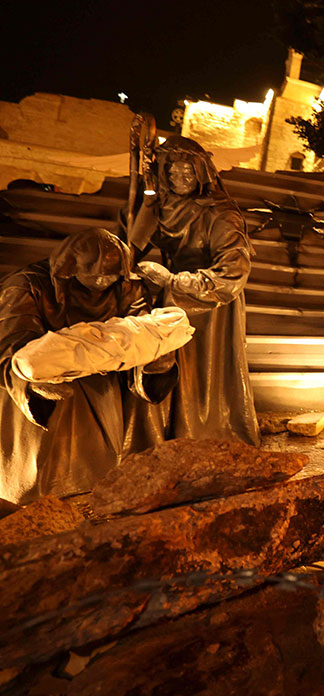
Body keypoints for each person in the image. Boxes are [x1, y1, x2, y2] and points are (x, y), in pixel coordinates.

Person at [0, 229, 177, 503]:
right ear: (69, 267)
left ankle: (105, 491)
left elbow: (139, 329)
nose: (103, 281)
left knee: (104, 459)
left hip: (103, 385)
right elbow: (12, 340)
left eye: (111, 274)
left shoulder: (127, 285)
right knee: (45, 468)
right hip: (49, 386)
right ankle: (39, 499)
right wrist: (30, 381)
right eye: (94, 274)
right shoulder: (26, 286)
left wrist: (155, 362)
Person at [130, 136, 257, 448]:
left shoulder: (222, 214)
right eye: (172, 173)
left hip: (210, 306)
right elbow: (134, 242)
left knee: (201, 376)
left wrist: (172, 281)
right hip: (171, 298)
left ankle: (203, 436)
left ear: (201, 174)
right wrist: (146, 204)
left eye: (187, 173)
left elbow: (232, 275)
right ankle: (161, 439)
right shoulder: (163, 204)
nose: (179, 180)